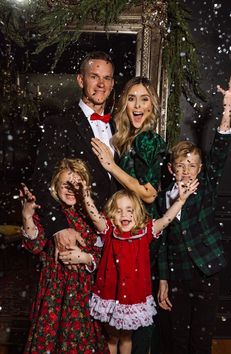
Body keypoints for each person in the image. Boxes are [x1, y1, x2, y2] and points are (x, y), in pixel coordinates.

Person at [58, 181, 198, 354]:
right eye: (119, 211)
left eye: (129, 210)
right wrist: (86, 196)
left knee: (126, 338)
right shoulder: (109, 231)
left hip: (134, 297)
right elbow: (95, 216)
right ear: (112, 215)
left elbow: (166, 219)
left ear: (137, 214)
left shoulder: (146, 232)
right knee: (112, 338)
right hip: (110, 295)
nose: (125, 215)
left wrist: (181, 201)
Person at [157, 76, 231, 354]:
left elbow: (219, 152)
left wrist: (227, 111)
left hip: (206, 275)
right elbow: (163, 244)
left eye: (192, 165)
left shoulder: (206, 189)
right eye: (181, 165)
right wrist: (164, 280)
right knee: (176, 340)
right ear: (171, 170)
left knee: (200, 341)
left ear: (200, 169)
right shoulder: (162, 198)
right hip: (178, 278)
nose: (187, 171)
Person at [91, 76, 167, 353]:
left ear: (152, 106)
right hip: (126, 235)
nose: (137, 105)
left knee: (136, 319)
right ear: (124, 104)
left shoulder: (148, 140)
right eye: (132, 98)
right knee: (123, 317)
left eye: (144, 99)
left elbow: (148, 194)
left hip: (141, 238)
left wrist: (111, 165)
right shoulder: (127, 139)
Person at [20, 158, 109, 354]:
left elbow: (106, 255)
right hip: (54, 291)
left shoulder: (92, 215)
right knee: (50, 339)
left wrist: (86, 258)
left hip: (84, 293)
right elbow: (35, 246)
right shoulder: (51, 215)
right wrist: (27, 216)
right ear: (54, 187)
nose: (70, 190)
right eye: (64, 185)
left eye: (75, 186)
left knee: (82, 342)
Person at [31, 51, 118, 244]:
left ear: (112, 84)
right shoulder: (60, 123)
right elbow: (42, 179)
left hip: (116, 231)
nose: (101, 84)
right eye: (94, 77)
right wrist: (59, 227)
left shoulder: (119, 126)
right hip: (79, 232)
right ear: (80, 80)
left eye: (106, 78)